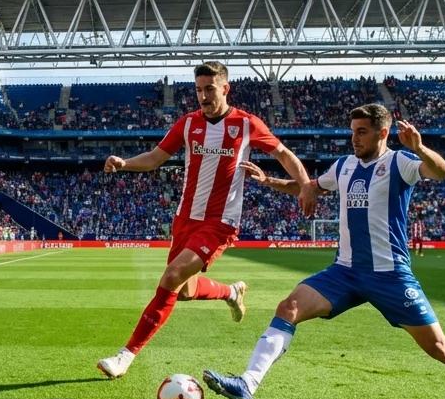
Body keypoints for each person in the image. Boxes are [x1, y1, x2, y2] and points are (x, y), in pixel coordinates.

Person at [201, 104, 445, 399]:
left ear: (382, 133)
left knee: (440, 348)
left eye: (362, 132)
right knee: (288, 307)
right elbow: (310, 189)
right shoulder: (344, 165)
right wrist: (269, 180)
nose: (354, 138)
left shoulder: (399, 163)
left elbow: (441, 172)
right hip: (344, 272)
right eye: (353, 131)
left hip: (390, 275)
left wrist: (418, 148)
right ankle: (247, 383)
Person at [94, 61, 315, 379]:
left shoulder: (246, 123)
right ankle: (230, 292)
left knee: (170, 277)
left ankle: (125, 356)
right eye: (198, 90)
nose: (203, 96)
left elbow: (284, 155)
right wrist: (125, 163)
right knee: (182, 290)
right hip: (185, 219)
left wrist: (306, 184)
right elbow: (156, 158)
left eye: (209, 89)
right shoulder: (187, 124)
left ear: (225, 89)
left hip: (220, 222)